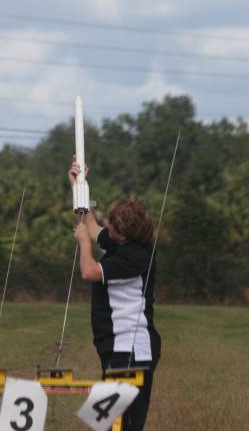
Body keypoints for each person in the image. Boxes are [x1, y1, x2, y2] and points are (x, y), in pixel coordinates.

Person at [69, 155, 161, 431]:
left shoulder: (137, 256)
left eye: (111, 225)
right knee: (105, 424)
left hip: (131, 350)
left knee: (120, 426)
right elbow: (93, 227)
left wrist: (84, 244)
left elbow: (89, 272)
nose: (106, 225)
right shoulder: (122, 241)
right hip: (116, 348)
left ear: (123, 235)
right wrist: (79, 187)